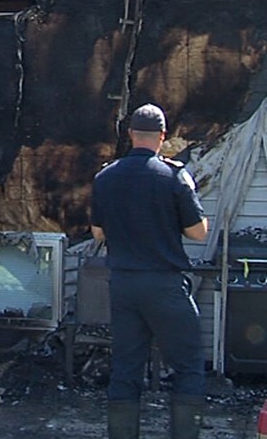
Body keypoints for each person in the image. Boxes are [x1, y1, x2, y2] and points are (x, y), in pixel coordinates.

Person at [91, 103, 209, 439]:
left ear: (130, 135)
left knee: (126, 369)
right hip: (164, 283)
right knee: (187, 366)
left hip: (124, 285)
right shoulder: (174, 176)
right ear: (162, 137)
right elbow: (198, 233)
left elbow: (98, 233)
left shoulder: (105, 177)